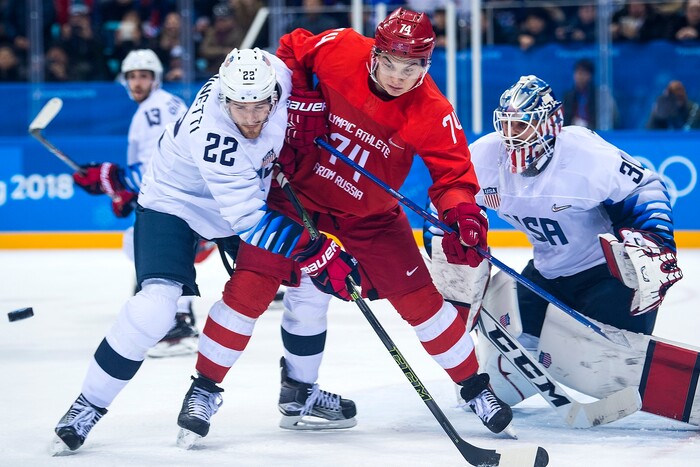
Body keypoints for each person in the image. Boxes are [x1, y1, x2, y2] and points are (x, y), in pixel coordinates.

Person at [174, 8, 514, 449]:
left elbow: (453, 178)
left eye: (411, 67)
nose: (397, 76)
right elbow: (291, 49)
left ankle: (475, 388)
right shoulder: (340, 48)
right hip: (298, 201)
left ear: (426, 65)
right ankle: (204, 389)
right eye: (390, 62)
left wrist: (463, 217)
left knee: (423, 304)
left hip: (370, 219)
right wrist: (298, 97)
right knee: (249, 290)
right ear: (375, 52)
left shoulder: (433, 110)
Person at [51, 47, 358, 455]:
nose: (250, 118)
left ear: (274, 92)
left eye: (259, 106)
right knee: (155, 307)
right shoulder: (215, 137)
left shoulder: (276, 76)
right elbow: (250, 221)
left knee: (308, 288)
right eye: (238, 107)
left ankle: (299, 391)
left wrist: (303, 96)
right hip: (176, 204)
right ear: (222, 98)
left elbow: (296, 53)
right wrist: (318, 251)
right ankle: (88, 404)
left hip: (239, 199)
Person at [455, 75, 682, 403]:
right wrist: (454, 235)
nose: (510, 137)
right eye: (506, 126)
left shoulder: (583, 153)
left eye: (521, 126)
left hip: (607, 278)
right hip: (545, 278)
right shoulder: (486, 156)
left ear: (549, 124)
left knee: (604, 367)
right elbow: (450, 196)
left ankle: (630, 361)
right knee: (500, 386)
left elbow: (644, 187)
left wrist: (656, 239)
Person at [71, 49, 206, 358]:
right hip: (182, 190)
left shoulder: (153, 110)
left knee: (147, 246)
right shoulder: (167, 104)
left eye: (144, 76)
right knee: (149, 245)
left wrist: (111, 178)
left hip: (176, 192)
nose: (137, 82)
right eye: (132, 76)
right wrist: (127, 192)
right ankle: (171, 313)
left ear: (155, 79)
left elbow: (154, 165)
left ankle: (175, 320)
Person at [561, 58, 619, 130]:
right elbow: (563, 119)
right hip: (573, 133)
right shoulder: (568, 96)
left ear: (590, 76)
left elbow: (612, 118)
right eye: (577, 73)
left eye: (583, 73)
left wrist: (588, 126)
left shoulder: (600, 95)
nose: (579, 77)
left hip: (595, 133)